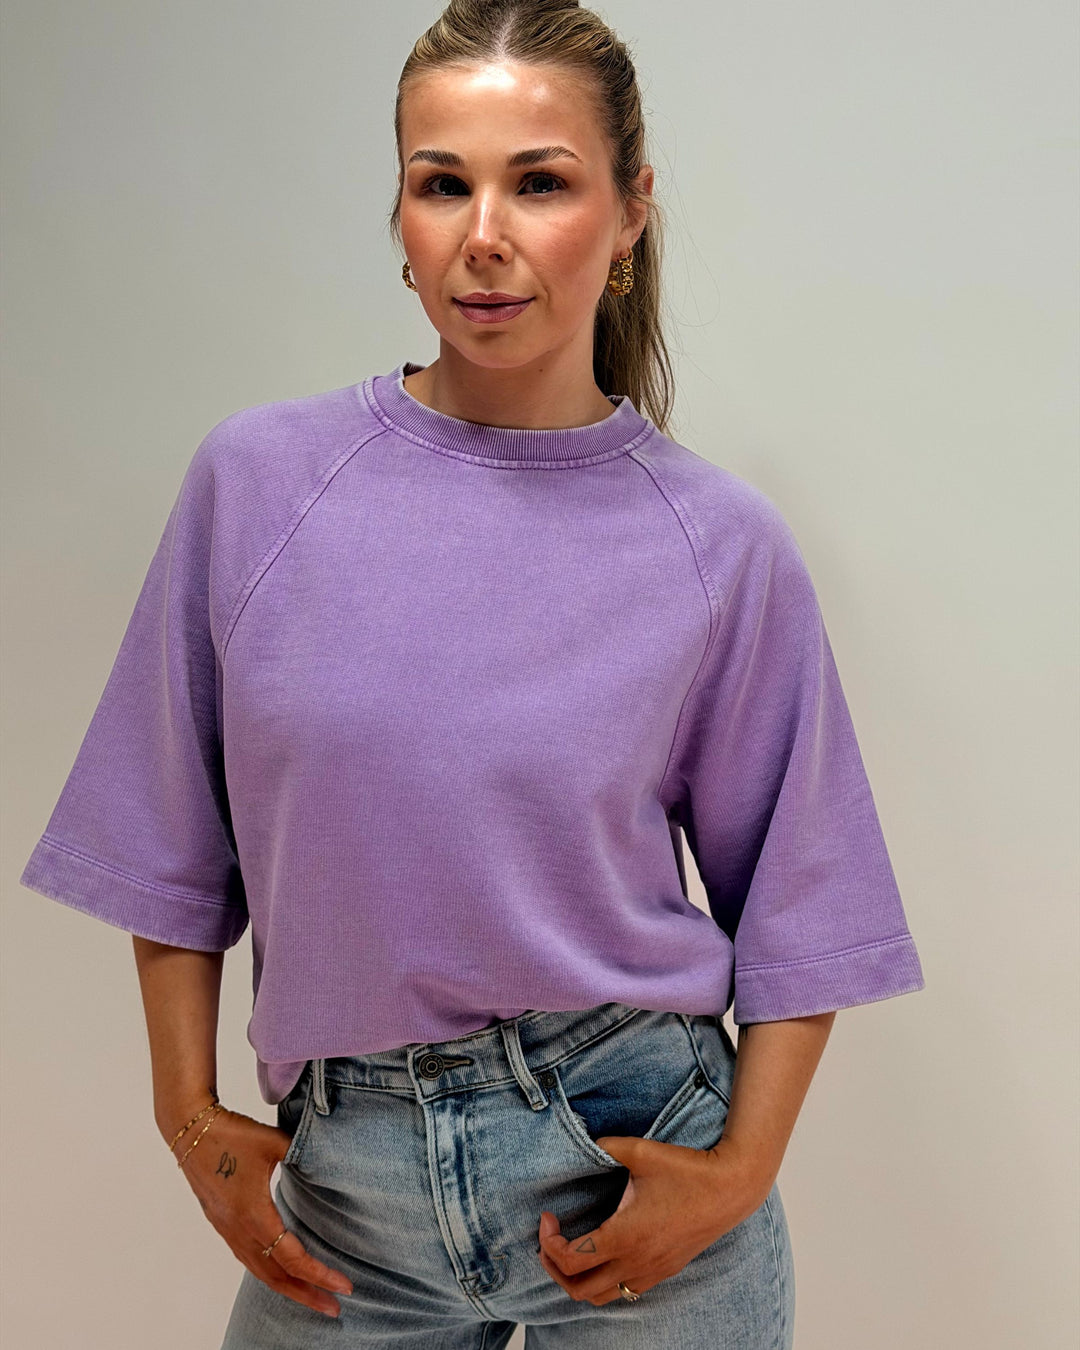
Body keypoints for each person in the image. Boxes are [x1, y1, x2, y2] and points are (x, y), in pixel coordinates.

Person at [19, 1, 926, 1345]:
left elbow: (805, 904)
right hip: (342, 1194)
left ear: (629, 214)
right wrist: (187, 1112)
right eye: (442, 183)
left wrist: (740, 1172)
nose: (484, 234)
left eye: (541, 181)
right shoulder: (261, 486)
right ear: (400, 219)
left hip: (634, 1155)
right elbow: (166, 834)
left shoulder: (716, 546)